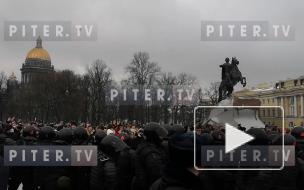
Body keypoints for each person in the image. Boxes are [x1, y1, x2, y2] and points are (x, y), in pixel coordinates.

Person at [133, 123, 168, 190]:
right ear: (153, 135)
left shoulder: (147, 146)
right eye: (159, 135)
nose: (161, 137)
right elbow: (157, 174)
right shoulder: (150, 152)